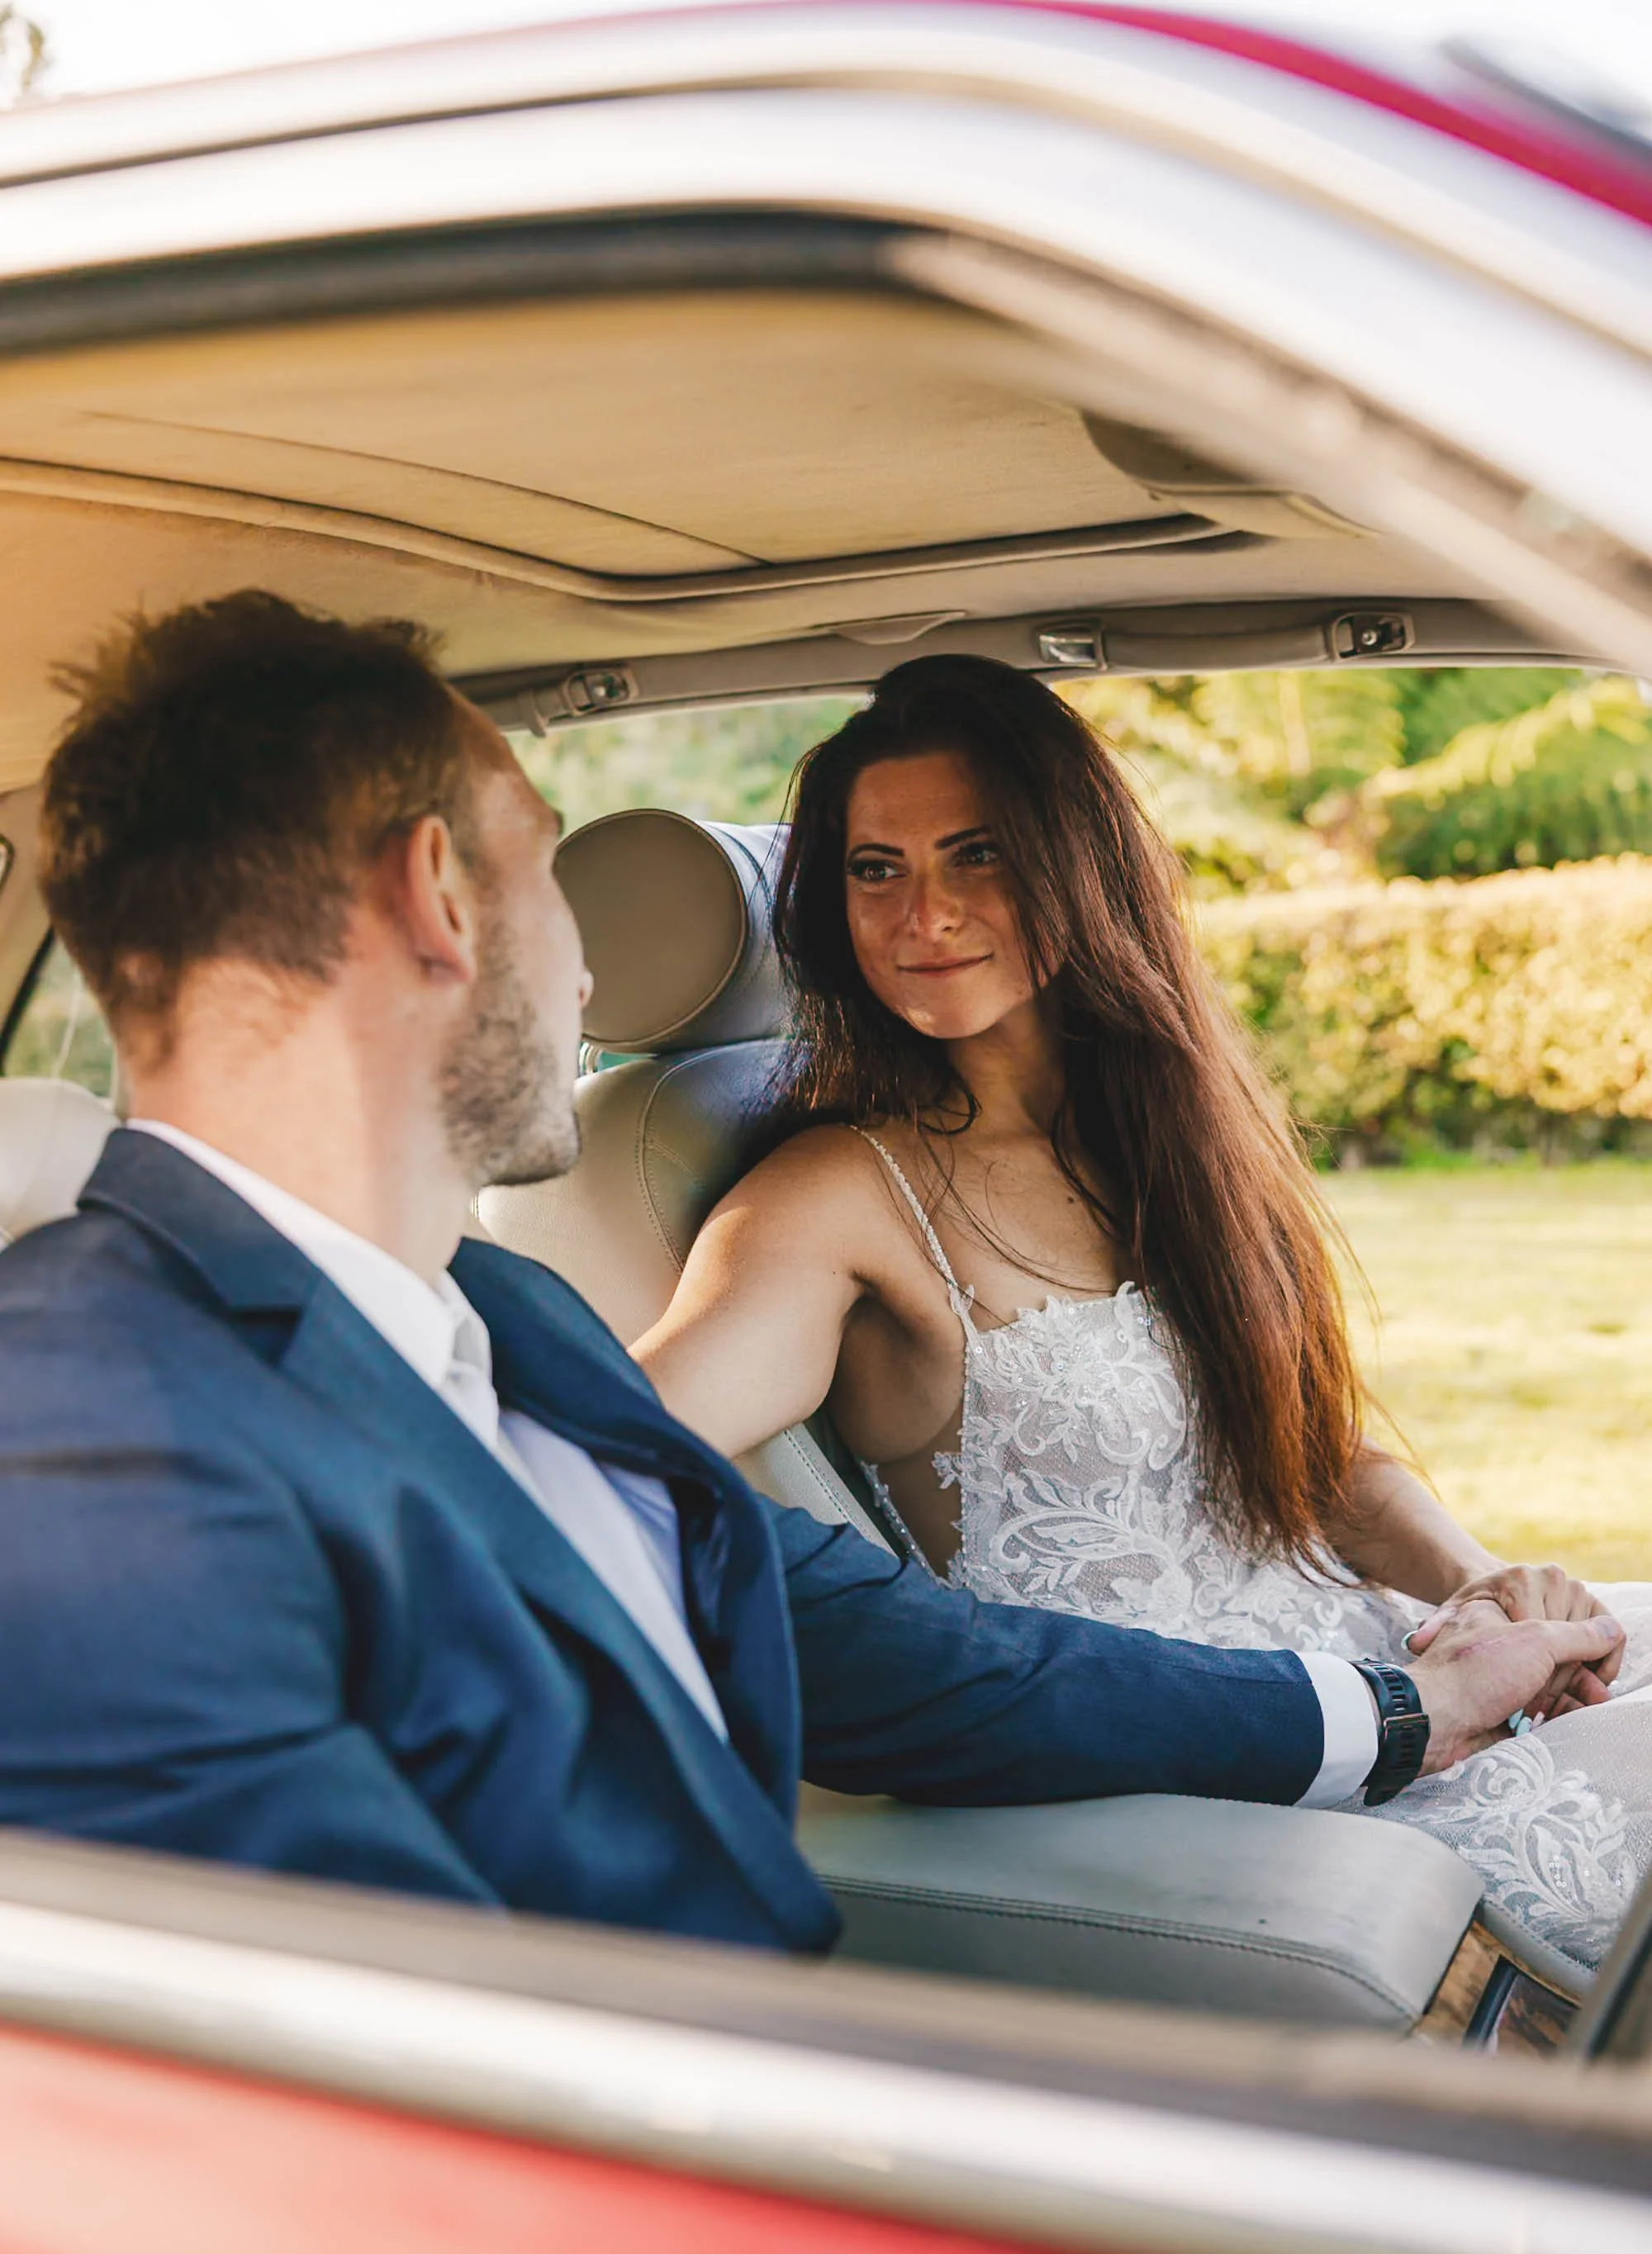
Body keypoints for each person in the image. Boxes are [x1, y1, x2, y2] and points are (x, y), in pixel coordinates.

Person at [0, 599, 1617, 1956]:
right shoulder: (86, 1443)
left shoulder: (515, 1329)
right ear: (440, 895)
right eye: (555, 876)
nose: (590, 967)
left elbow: (918, 1663)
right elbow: (334, 2083)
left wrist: (1404, 1706)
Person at [635, 654, 1652, 1969]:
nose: (921, 913)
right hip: (1215, 1760)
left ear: (1078, 867)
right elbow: (633, 1440)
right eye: (874, 868)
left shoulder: (1171, 1145)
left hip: (1378, 1658)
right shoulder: (834, 1195)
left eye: (975, 854)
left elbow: (1312, 1459)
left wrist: (1480, 1588)